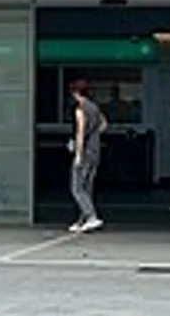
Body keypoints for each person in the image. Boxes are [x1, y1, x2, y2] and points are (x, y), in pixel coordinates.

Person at [67, 79, 107, 233]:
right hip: (96, 150)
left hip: (85, 152)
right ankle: (82, 219)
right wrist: (95, 135)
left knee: (77, 187)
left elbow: (80, 133)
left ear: (75, 93)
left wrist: (78, 154)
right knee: (87, 186)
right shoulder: (95, 107)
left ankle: (91, 217)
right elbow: (104, 124)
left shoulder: (80, 109)